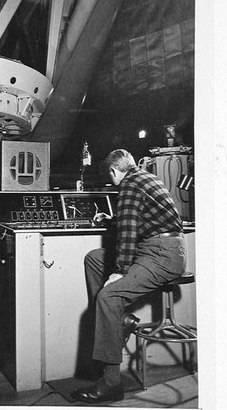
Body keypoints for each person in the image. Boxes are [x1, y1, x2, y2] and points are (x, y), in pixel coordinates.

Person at [71, 149, 186, 404]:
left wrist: (119, 271)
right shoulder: (146, 178)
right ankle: (120, 319)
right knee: (94, 258)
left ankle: (111, 383)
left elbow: (129, 233)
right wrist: (113, 219)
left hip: (161, 255)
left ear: (113, 171)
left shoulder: (128, 186)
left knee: (108, 296)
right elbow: (139, 220)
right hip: (161, 248)